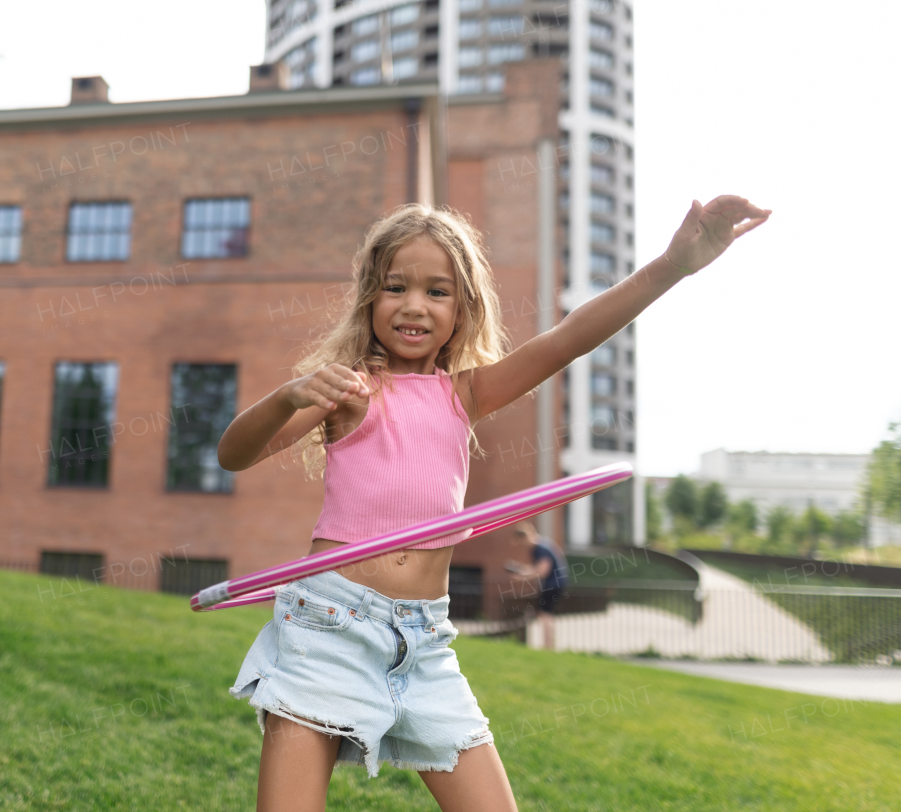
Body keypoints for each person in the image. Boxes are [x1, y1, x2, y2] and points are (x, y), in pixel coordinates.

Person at [217, 196, 770, 812]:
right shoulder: (348, 390)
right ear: (370, 296)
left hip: (424, 642)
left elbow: (567, 340)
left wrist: (672, 265)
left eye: (438, 291)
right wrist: (289, 396)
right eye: (395, 286)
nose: (414, 306)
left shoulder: (465, 394)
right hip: (329, 629)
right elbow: (234, 454)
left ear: (464, 309)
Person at [508, 522, 569, 651]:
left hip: (552, 584)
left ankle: (548, 646)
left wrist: (521, 577)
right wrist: (521, 569)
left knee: (545, 614)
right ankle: (549, 645)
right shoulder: (543, 545)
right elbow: (536, 568)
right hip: (555, 583)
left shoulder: (539, 548)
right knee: (545, 614)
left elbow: (542, 571)